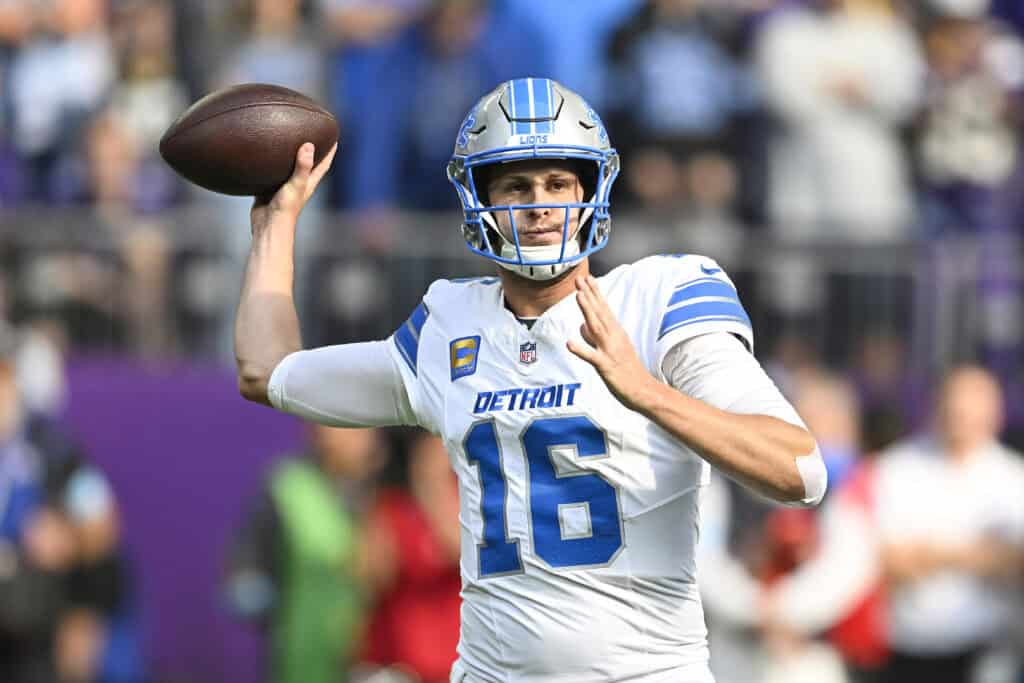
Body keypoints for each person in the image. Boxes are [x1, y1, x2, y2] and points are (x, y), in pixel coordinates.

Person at [234, 78, 827, 682]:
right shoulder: (448, 327)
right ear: (480, 200)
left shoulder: (659, 299)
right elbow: (266, 371)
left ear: (591, 190)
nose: (540, 204)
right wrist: (274, 223)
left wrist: (647, 393)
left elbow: (800, 470)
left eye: (558, 183)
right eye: (517, 185)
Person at [223, 424, 384, 683]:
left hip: (370, 658)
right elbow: (248, 566)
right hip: (301, 655)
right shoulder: (289, 486)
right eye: (351, 428)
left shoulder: (384, 492)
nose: (365, 438)